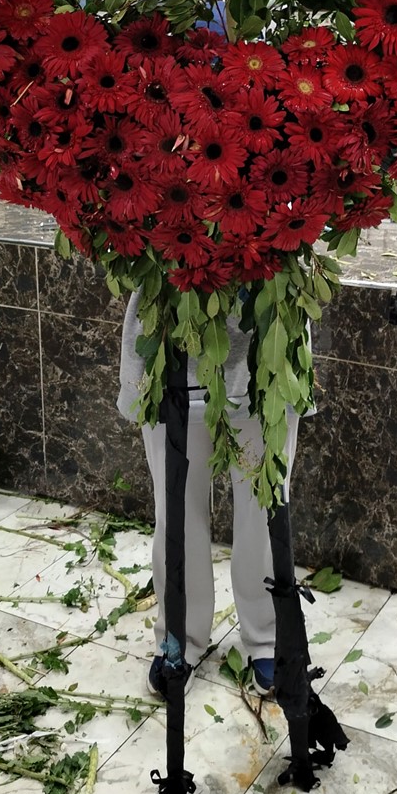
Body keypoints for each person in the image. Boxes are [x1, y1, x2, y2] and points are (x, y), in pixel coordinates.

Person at [116, 290, 302, 699]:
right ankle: (180, 633)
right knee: (176, 509)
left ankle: (268, 636)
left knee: (265, 505)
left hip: (266, 343)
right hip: (169, 338)